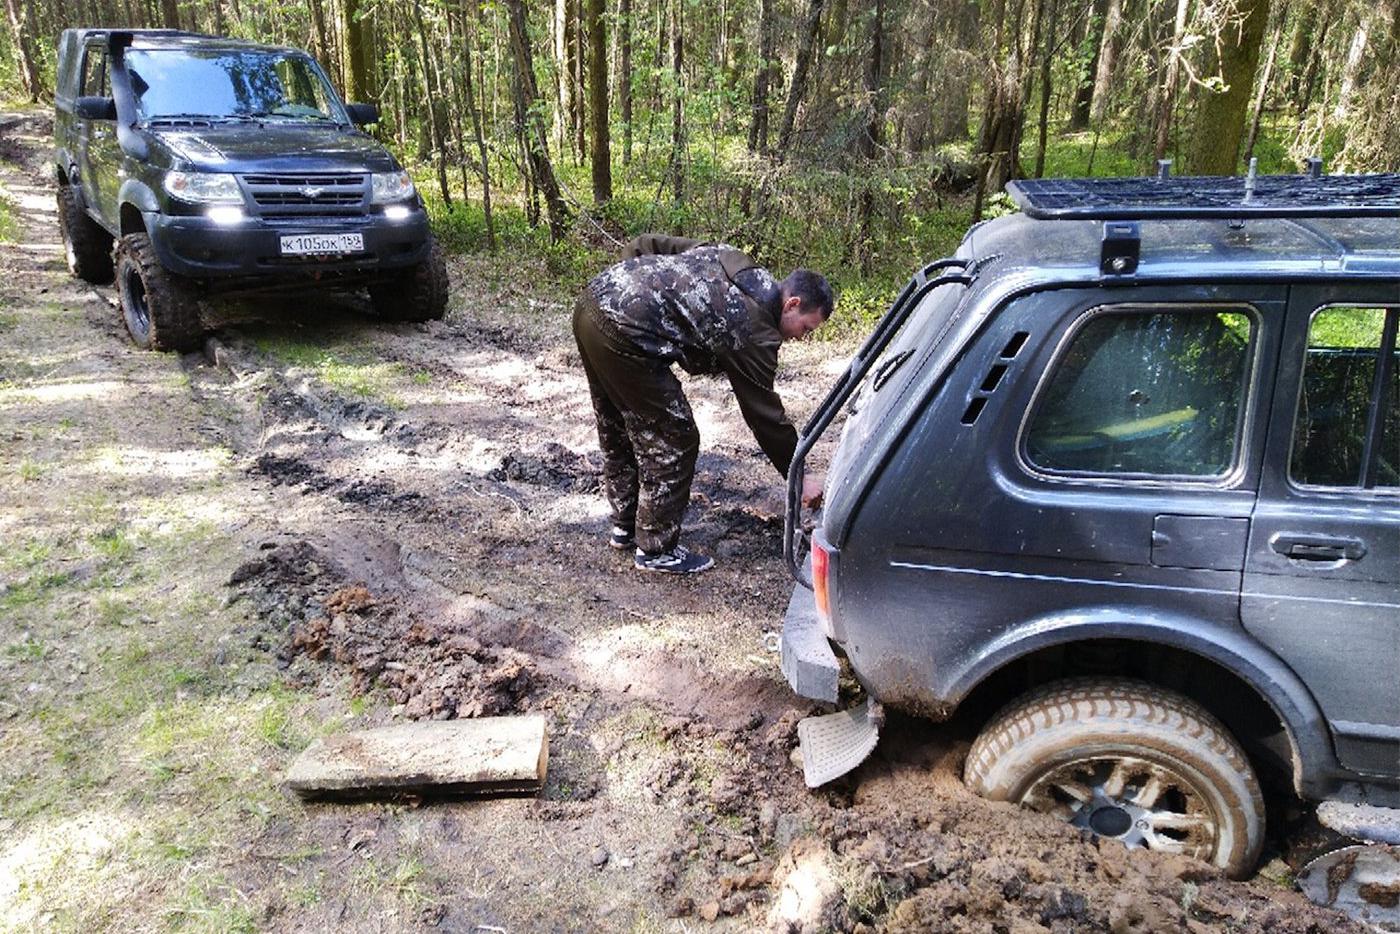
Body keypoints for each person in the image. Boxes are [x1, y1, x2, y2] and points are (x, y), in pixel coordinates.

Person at [573, 233, 834, 575]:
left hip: (593, 301)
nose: (802, 337)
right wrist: (800, 476)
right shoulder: (755, 331)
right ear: (791, 304)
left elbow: (648, 244)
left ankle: (625, 525)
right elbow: (765, 416)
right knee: (675, 437)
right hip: (626, 334)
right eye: (806, 327)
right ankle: (656, 548)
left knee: (618, 422)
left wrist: (629, 286)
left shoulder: (736, 260)